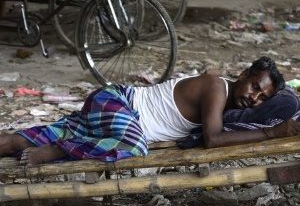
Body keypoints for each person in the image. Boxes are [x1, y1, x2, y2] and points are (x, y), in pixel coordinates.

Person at [0, 56, 300, 166]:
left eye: (263, 97)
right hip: (118, 103)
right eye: (254, 87)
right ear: (245, 73)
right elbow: (214, 139)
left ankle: (31, 143)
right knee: (134, 146)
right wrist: (272, 133)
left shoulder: (230, 103)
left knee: (23, 141)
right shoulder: (216, 88)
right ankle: (58, 151)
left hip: (114, 115)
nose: (255, 97)